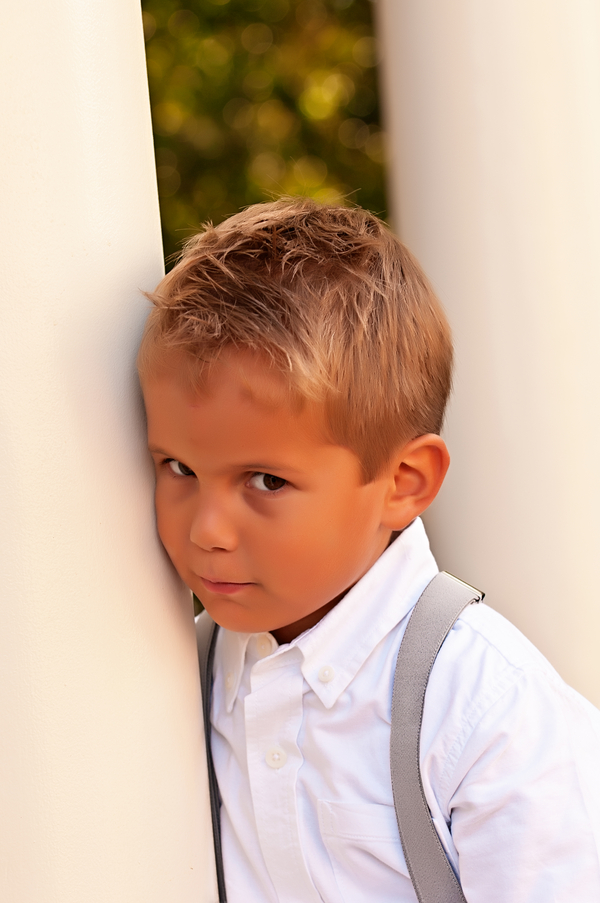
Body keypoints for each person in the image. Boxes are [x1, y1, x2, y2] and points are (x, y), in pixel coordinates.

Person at [138, 197, 600, 902]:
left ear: (403, 483)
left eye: (266, 481)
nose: (207, 530)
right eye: (177, 468)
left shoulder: (486, 709)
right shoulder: (172, 675)